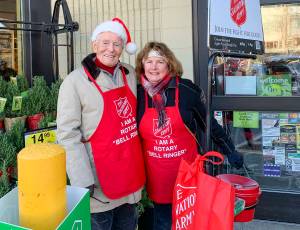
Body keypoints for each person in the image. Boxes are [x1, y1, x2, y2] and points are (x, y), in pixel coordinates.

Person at [136, 41, 243, 230]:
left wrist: (230, 150)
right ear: (142, 64)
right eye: (148, 61)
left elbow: (208, 125)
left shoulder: (186, 91)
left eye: (159, 61)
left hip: (188, 172)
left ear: (169, 64)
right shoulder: (137, 96)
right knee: (162, 221)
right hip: (157, 175)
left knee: (189, 219)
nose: (154, 67)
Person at [57, 18, 145, 230]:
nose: (111, 49)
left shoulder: (130, 74)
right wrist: (81, 179)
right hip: (98, 183)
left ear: (123, 48)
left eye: (116, 44)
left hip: (129, 176)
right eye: (105, 43)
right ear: (94, 45)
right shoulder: (74, 82)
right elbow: (67, 134)